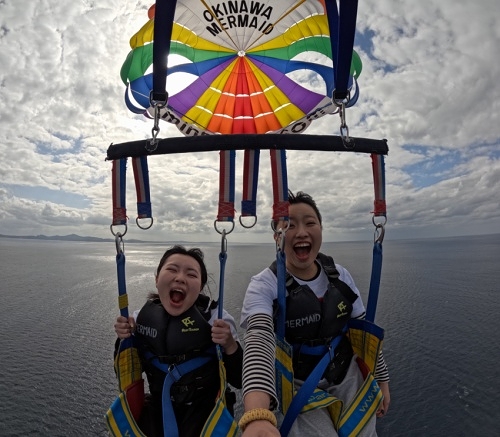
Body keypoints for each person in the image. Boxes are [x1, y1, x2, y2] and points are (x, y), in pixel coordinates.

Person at [238, 191, 390, 437]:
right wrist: (257, 415)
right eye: (289, 225)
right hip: (296, 383)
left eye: (310, 223)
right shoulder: (265, 284)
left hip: (346, 374)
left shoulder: (340, 276)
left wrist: (381, 380)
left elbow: (362, 334)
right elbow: (259, 339)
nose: (301, 232)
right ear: (277, 237)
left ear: (321, 229)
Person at [114, 245, 243, 437]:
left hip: (205, 410)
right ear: (157, 279)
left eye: (191, 274)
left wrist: (230, 345)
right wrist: (124, 340)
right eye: (172, 269)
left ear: (200, 287)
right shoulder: (141, 319)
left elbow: (239, 380)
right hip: (159, 407)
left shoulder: (217, 319)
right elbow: (124, 374)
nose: (180, 278)